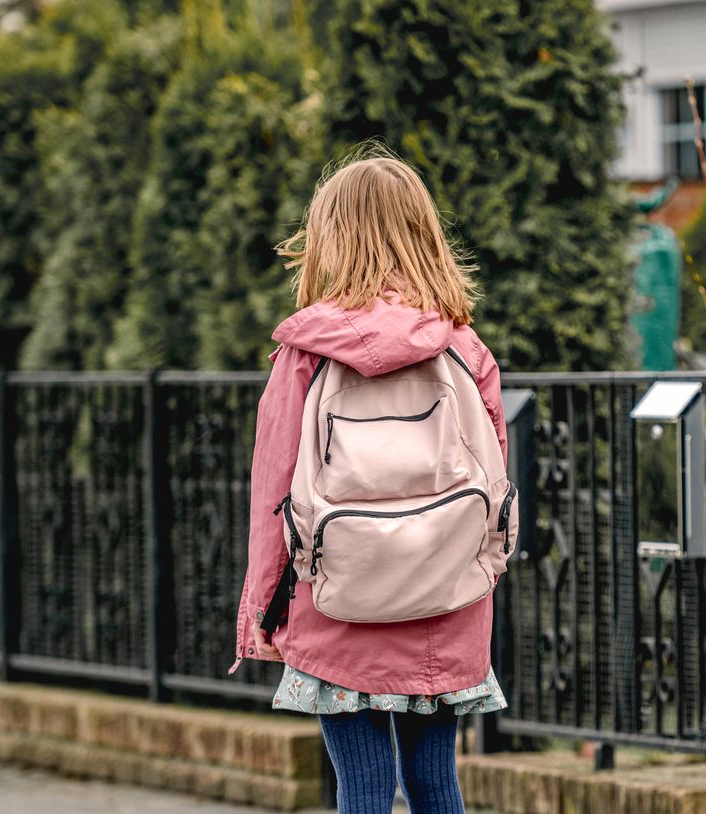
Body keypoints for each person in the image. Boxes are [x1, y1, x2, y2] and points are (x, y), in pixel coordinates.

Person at [229, 146, 509, 814]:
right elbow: (497, 480)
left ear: (331, 239)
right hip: (444, 594)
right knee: (436, 781)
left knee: (361, 786)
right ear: (424, 236)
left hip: (338, 598)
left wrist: (261, 610)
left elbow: (275, 488)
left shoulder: (306, 353)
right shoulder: (463, 348)